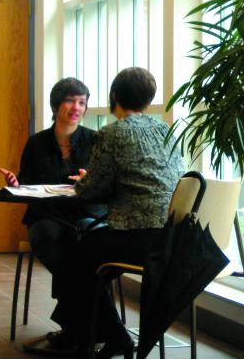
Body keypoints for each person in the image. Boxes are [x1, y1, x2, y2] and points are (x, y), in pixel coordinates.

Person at [51, 67, 185, 359]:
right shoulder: (165, 130)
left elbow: (90, 191)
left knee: (75, 256)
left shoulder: (111, 134)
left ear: (114, 97)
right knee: (88, 255)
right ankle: (92, 332)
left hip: (138, 238)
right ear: (148, 99)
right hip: (173, 236)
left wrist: (86, 180)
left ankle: (111, 336)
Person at [0, 77, 102, 348]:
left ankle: (74, 323)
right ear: (56, 105)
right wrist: (16, 184)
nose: (76, 107)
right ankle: (90, 323)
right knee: (49, 235)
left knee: (85, 239)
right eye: (70, 100)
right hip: (47, 216)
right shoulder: (36, 143)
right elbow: (27, 183)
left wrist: (89, 179)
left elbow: (105, 184)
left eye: (82, 102)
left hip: (84, 214)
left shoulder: (95, 141)